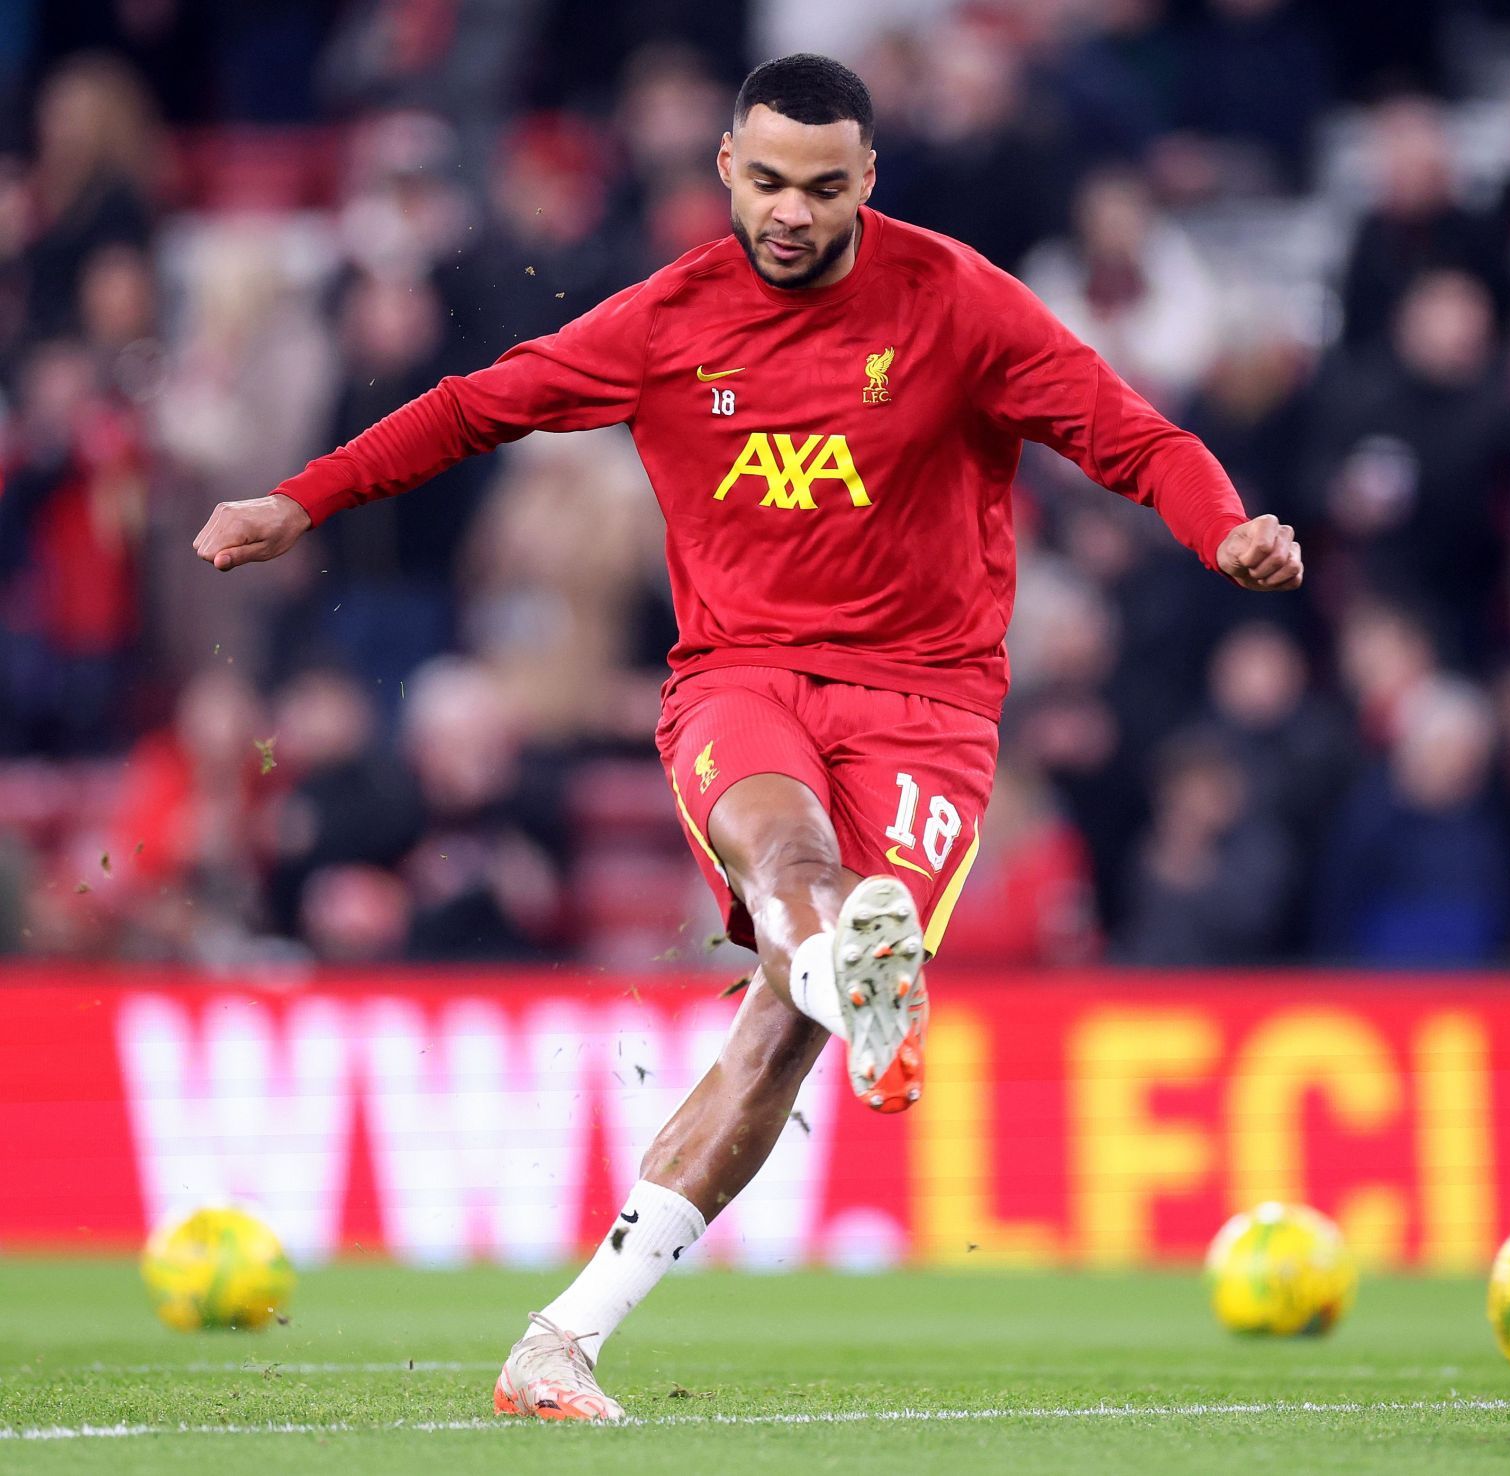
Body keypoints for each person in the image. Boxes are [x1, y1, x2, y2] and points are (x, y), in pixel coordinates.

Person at [190, 54, 1303, 1422]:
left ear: (869, 181)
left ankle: (561, 1337)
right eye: (768, 180)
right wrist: (304, 501)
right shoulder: (669, 318)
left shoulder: (956, 303)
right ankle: (850, 954)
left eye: (824, 188)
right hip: (745, 674)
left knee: (778, 1037)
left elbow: (1132, 437)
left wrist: (1226, 527)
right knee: (783, 849)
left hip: (932, 703)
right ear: (726, 166)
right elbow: (480, 406)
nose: (790, 211)